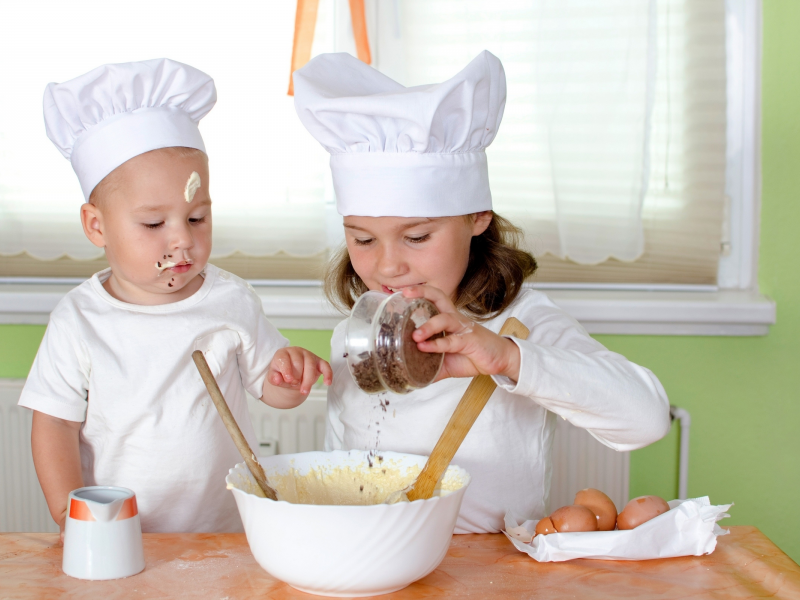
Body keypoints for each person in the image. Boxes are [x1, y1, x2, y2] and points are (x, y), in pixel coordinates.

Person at [293, 51, 671, 533]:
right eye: (362, 239)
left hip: (487, 570)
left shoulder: (523, 323)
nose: (387, 264)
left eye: (417, 237)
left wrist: (507, 358)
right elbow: (343, 463)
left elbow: (647, 419)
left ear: (476, 217)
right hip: (374, 559)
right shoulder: (356, 334)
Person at [19, 59, 332, 536]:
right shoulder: (80, 319)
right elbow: (55, 424)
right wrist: (69, 512)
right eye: (152, 224)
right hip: (122, 533)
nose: (181, 240)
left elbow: (270, 387)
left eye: (197, 218)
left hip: (224, 531)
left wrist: (290, 379)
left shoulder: (231, 301)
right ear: (96, 226)